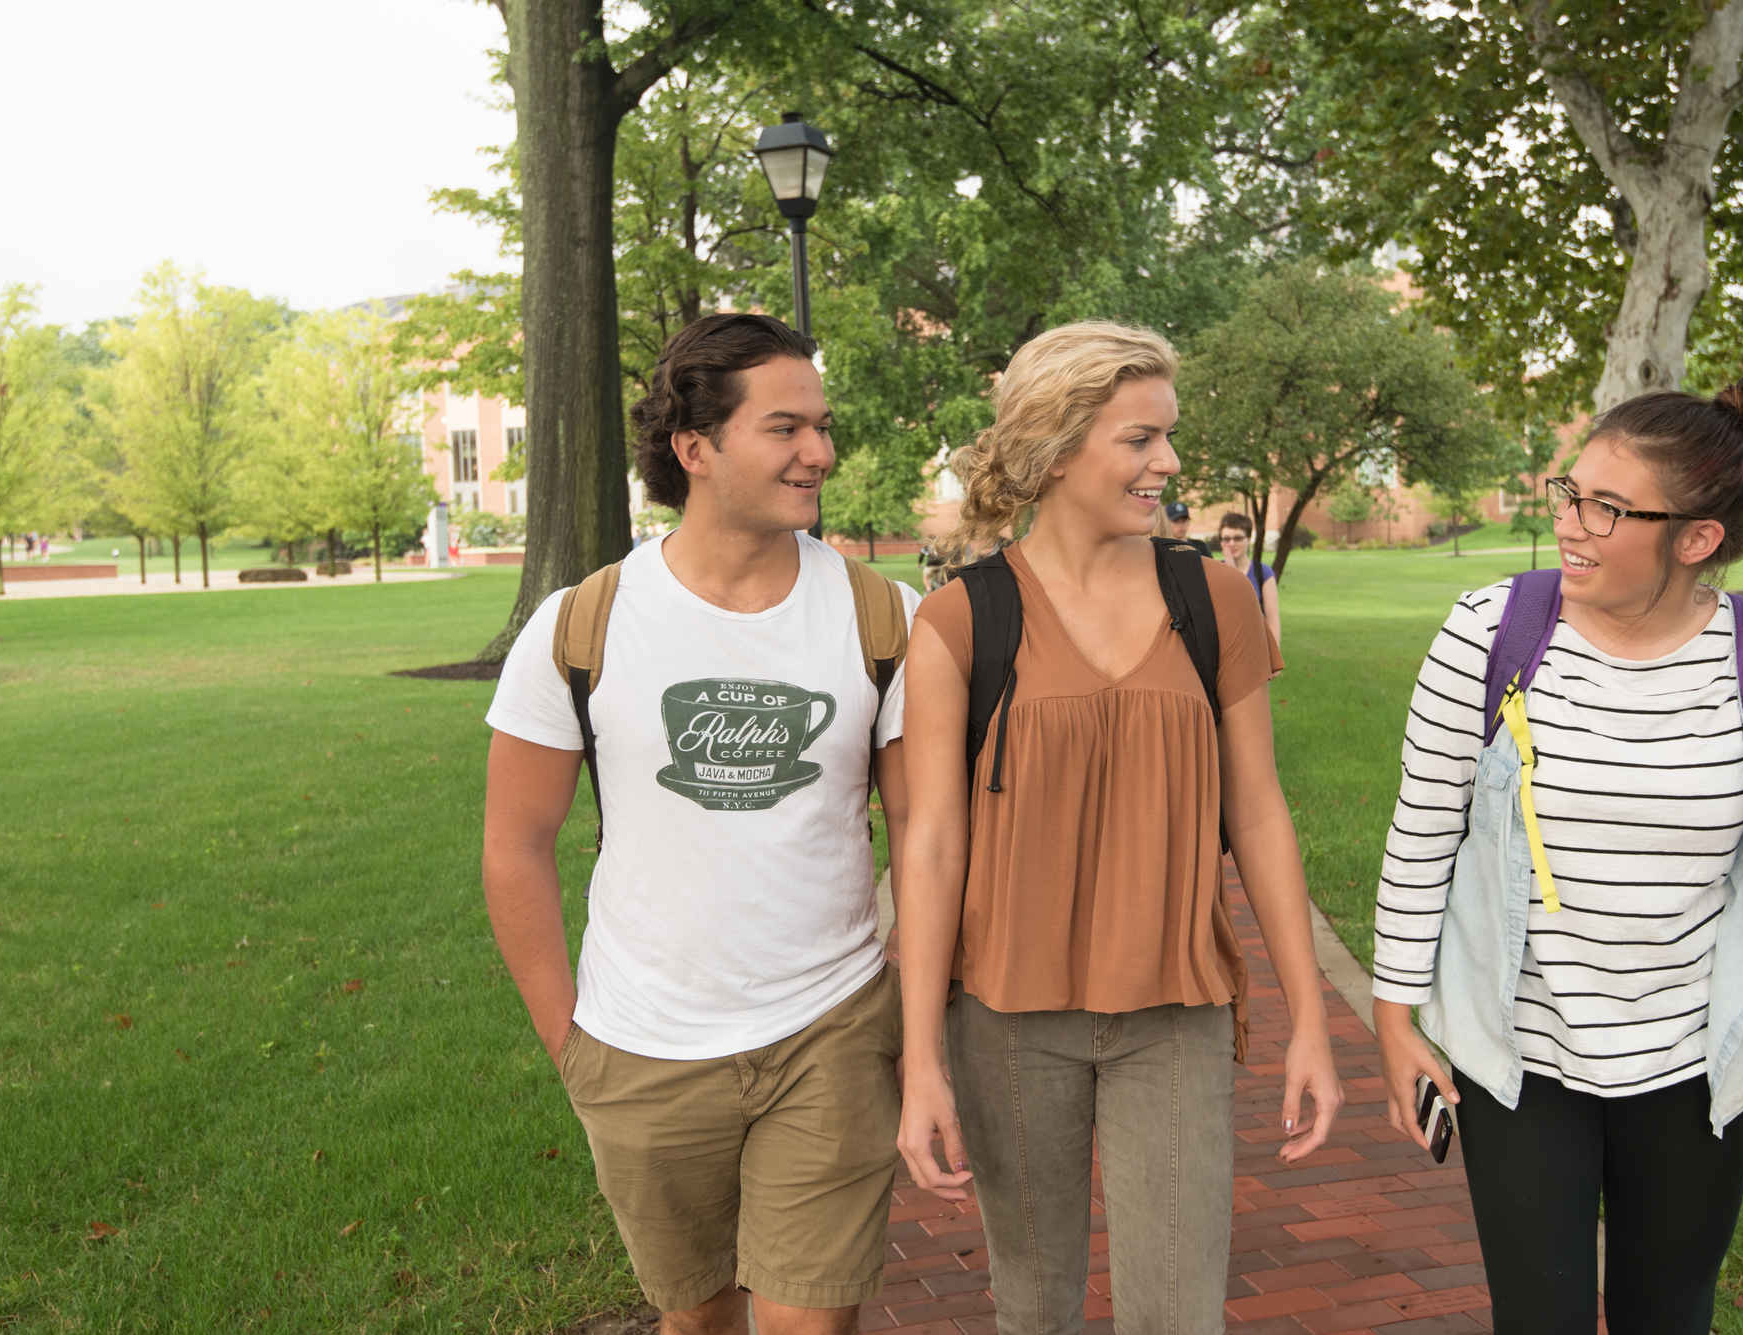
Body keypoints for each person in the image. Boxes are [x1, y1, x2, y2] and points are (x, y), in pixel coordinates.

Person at [1371, 373, 1743, 1335]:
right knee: (1540, 1319)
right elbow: (1421, 832)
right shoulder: (1490, 636)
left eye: (1609, 508)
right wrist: (1396, 1020)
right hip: (1522, 1055)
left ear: (1696, 539)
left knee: (1669, 1314)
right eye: (1572, 493)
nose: (1573, 524)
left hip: (1695, 1065)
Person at [895, 321, 1343, 1335]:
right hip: (1006, 1024)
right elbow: (928, 848)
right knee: (1035, 1311)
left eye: (1167, 436)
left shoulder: (1210, 602)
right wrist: (920, 1058)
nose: (1169, 463)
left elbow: (1259, 814)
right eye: (1138, 439)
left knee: (1177, 1317)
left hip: (1173, 1018)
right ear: (1055, 447)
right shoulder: (961, 624)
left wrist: (1309, 1020)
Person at [481, 313, 918, 1335]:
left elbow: (929, 836)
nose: (819, 451)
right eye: (784, 428)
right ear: (694, 449)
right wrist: (570, 1041)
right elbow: (514, 846)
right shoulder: (579, 626)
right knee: (698, 1320)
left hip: (830, 1033)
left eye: (820, 425)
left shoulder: (883, 618)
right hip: (640, 1044)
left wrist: (910, 1016)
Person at [1215, 511, 1279, 653]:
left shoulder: (1263, 573)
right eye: (1226, 539)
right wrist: (1230, 572)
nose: (1231, 543)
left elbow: (1272, 619)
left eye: (1237, 538)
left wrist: (1275, 656)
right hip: (1225, 651)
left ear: (1248, 539)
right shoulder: (1214, 572)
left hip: (1255, 648)